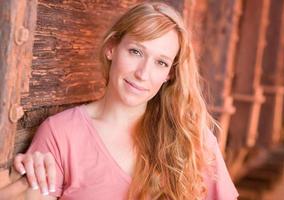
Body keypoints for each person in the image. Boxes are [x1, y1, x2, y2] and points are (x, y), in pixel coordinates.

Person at [13, 2, 239, 200]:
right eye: (135, 52)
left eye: (160, 62)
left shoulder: (192, 138)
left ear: (170, 73)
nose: (143, 74)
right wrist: (22, 186)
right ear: (112, 48)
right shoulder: (60, 134)